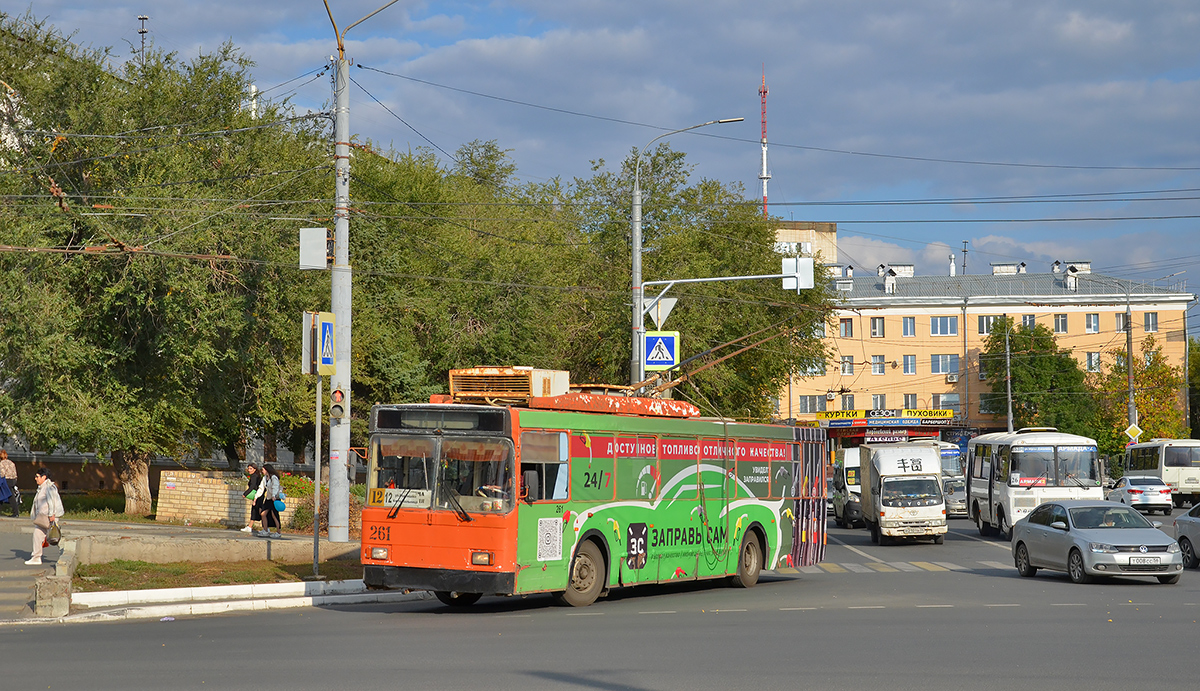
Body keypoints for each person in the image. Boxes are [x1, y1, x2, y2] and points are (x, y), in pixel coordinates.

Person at [27, 467, 64, 565]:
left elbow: (51, 501)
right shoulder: (42, 487)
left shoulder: (48, 487)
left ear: (44, 477)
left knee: (54, 537)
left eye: (37, 476)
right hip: (43, 517)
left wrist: (52, 514)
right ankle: (36, 557)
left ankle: (65, 552)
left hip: (49, 517)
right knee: (38, 535)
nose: (36, 478)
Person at [256, 464, 282, 539]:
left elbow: (275, 486)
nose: (262, 471)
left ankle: (278, 532)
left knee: (274, 515)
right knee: (263, 513)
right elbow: (261, 488)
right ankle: (266, 530)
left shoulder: (274, 477)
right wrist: (256, 497)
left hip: (274, 498)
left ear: (267, 470)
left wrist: (274, 495)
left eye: (263, 469)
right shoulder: (265, 478)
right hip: (268, 499)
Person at [240, 462, 261, 533]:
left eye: (251, 468)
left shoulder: (254, 476)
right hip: (258, 495)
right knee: (256, 511)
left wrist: (245, 494)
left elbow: (252, 486)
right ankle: (250, 526)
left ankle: (265, 528)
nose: (249, 470)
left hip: (258, 496)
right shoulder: (256, 475)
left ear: (255, 469)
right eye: (248, 468)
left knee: (259, 511)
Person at [0, 450, 18, 517]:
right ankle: (16, 512)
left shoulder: (2, 463)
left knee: (10, 496)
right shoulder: (11, 463)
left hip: (6, 480)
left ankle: (15, 512)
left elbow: (2, 474)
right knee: (7, 494)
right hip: (13, 480)